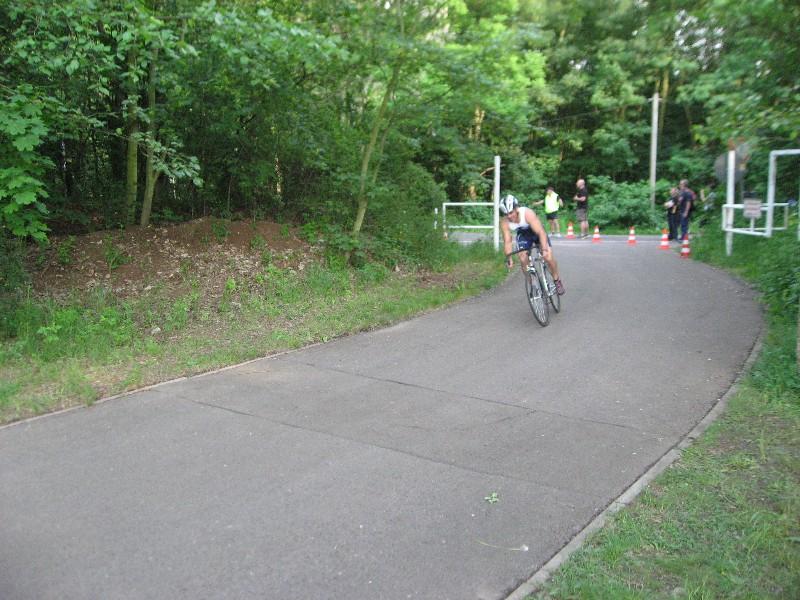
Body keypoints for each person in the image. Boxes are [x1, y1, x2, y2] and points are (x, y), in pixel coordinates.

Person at [499, 194, 565, 295]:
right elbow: (507, 241)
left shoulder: (527, 213)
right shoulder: (504, 222)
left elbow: (541, 232)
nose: (509, 216)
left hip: (537, 232)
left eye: (511, 212)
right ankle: (534, 285)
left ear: (516, 208)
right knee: (522, 258)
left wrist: (544, 249)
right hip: (523, 235)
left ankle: (557, 280)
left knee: (548, 256)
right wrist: (509, 257)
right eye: (506, 214)